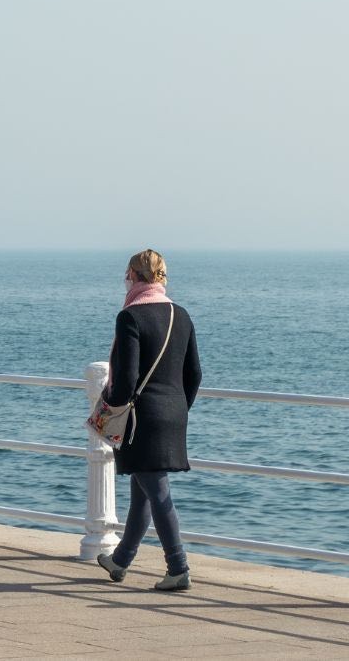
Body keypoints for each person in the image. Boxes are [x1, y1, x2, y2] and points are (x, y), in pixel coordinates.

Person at [95, 248, 202, 591]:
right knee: (142, 488)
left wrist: (109, 409)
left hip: (142, 417)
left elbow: (125, 380)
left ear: (136, 276)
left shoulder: (130, 317)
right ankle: (121, 559)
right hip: (174, 412)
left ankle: (178, 566)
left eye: (127, 275)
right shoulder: (181, 315)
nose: (125, 281)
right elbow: (194, 373)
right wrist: (179, 407)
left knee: (157, 490)